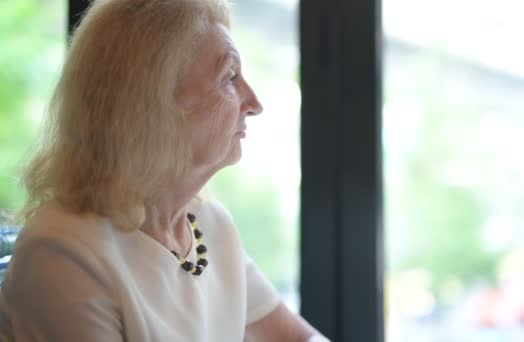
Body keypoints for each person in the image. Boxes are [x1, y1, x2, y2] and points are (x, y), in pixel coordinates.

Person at [0, 0, 330, 341]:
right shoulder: (63, 253)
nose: (254, 103)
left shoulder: (210, 222)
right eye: (229, 77)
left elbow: (294, 337)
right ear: (152, 104)